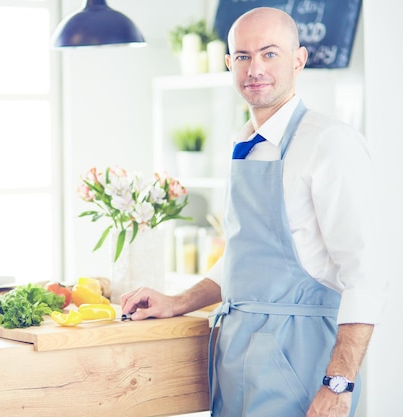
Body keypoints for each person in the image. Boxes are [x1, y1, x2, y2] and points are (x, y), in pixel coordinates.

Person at [121, 7, 386, 417]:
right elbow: (244, 257)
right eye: (243, 56)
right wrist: (179, 302)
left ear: (299, 60)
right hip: (236, 355)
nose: (255, 68)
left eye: (270, 53)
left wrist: (339, 383)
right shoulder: (244, 142)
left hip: (301, 358)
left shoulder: (331, 142)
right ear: (229, 64)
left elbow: (365, 273)